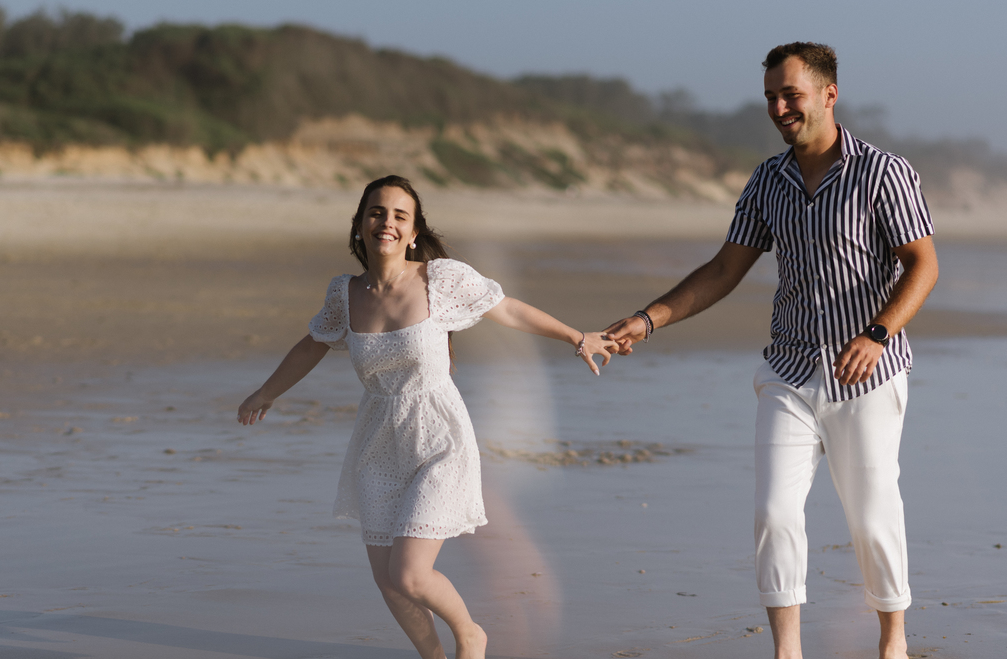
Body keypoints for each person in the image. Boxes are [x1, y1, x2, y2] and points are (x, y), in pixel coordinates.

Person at [605, 43, 939, 659]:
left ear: (829, 95)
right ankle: (788, 651)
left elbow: (922, 265)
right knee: (773, 513)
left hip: (865, 373)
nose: (778, 107)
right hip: (787, 371)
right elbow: (725, 267)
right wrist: (648, 320)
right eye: (770, 97)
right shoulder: (768, 180)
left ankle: (893, 641)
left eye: (791, 94)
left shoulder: (883, 173)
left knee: (871, 517)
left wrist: (877, 333)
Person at [238, 174, 615, 659]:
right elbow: (313, 343)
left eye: (400, 216)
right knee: (389, 583)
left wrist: (577, 337)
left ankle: (470, 635)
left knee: (410, 574)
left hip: (439, 438)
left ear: (414, 232)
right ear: (359, 225)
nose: (387, 223)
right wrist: (265, 393)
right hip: (377, 441)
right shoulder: (344, 294)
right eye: (377, 213)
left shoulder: (442, 279)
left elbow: (511, 311)